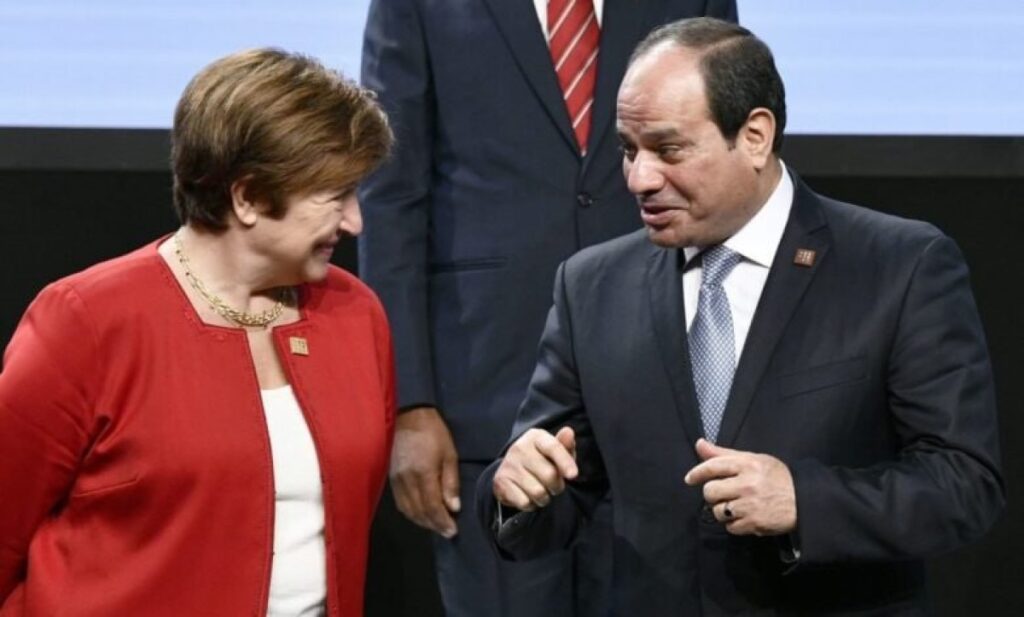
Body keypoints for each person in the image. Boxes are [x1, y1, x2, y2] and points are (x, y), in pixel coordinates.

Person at [478, 17, 1004, 615]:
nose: (639, 178)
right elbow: (555, 490)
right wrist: (518, 490)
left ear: (755, 136)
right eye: (628, 150)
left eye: (668, 149)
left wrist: (804, 501)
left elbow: (965, 485)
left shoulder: (898, 266)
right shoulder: (590, 286)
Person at [358, 1, 737, 614]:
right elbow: (391, 194)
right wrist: (408, 403)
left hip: (662, 398)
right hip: (485, 400)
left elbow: (732, 172)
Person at [0, 48, 394, 616]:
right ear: (248, 196)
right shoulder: (89, 320)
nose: (355, 221)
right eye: (334, 196)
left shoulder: (355, 315)